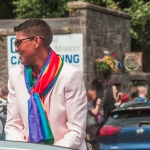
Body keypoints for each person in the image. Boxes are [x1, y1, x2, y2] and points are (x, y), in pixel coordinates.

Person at [5, 19, 87, 150]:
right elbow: (13, 125)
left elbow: (77, 131)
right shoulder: (15, 75)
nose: (15, 48)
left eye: (18, 43)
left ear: (36, 41)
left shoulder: (70, 75)